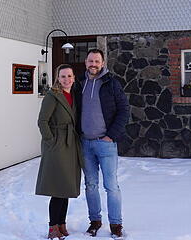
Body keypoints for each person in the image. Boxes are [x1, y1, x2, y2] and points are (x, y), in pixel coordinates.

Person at [76, 49, 130, 239]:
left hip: (105, 144)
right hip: (85, 144)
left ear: (103, 63)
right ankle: (95, 221)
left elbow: (124, 110)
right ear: (85, 62)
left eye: (97, 61)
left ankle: (116, 224)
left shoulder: (111, 84)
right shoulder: (79, 84)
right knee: (90, 185)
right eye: (90, 60)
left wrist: (111, 135)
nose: (93, 64)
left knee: (111, 186)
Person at [36, 64, 84, 239]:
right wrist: (51, 141)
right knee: (58, 189)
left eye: (69, 76)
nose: (67, 79)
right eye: (63, 76)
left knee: (66, 187)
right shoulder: (52, 96)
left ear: (73, 77)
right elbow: (42, 121)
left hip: (70, 144)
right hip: (57, 145)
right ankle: (52, 227)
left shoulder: (74, 94)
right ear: (57, 78)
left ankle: (62, 223)